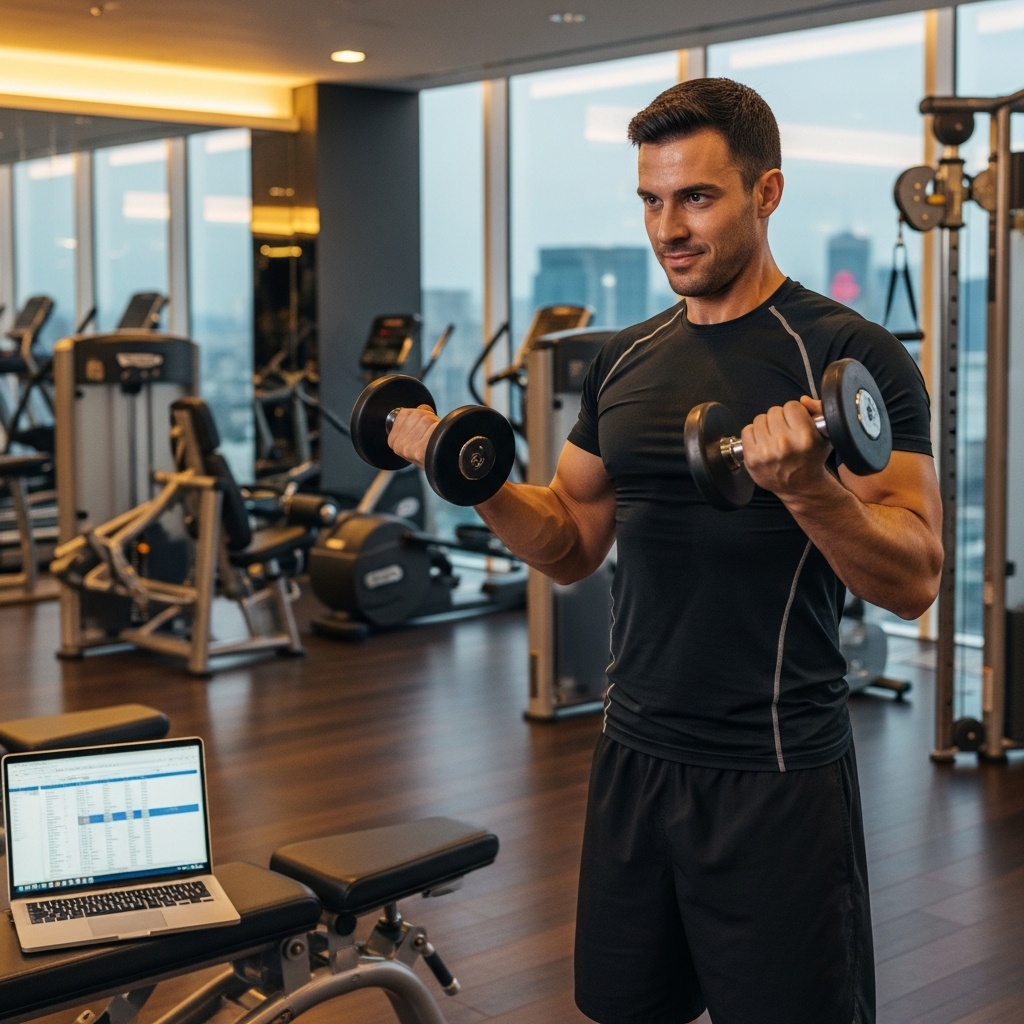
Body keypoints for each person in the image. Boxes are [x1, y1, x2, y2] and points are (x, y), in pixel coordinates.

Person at [386, 77, 944, 1024]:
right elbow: (567, 537)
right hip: (634, 756)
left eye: (697, 197)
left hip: (778, 772)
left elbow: (917, 576)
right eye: (651, 199)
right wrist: (472, 477)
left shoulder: (853, 356)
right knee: (625, 1007)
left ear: (766, 193)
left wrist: (807, 487)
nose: (668, 227)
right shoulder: (625, 359)